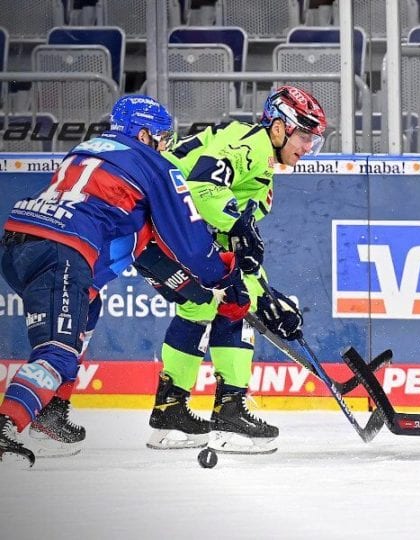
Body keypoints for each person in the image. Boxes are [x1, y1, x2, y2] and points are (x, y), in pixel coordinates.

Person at [0, 95, 251, 465]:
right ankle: (8, 424)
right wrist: (224, 276)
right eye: (163, 136)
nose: (166, 144)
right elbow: (190, 245)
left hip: (18, 244)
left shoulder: (85, 150)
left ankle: (51, 415)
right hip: (61, 252)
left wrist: (198, 287)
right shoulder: (154, 164)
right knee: (56, 352)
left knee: (88, 306)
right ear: (144, 133)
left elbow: (139, 250)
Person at [142, 86, 327, 453]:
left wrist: (269, 298)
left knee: (215, 301)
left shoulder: (261, 168)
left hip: (163, 231)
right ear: (278, 128)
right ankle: (226, 413)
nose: (308, 148)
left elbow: (238, 252)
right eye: (304, 136)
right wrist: (242, 234)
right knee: (232, 300)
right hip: (160, 228)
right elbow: (201, 188)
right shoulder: (248, 146)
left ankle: (171, 412)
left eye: (313, 140)